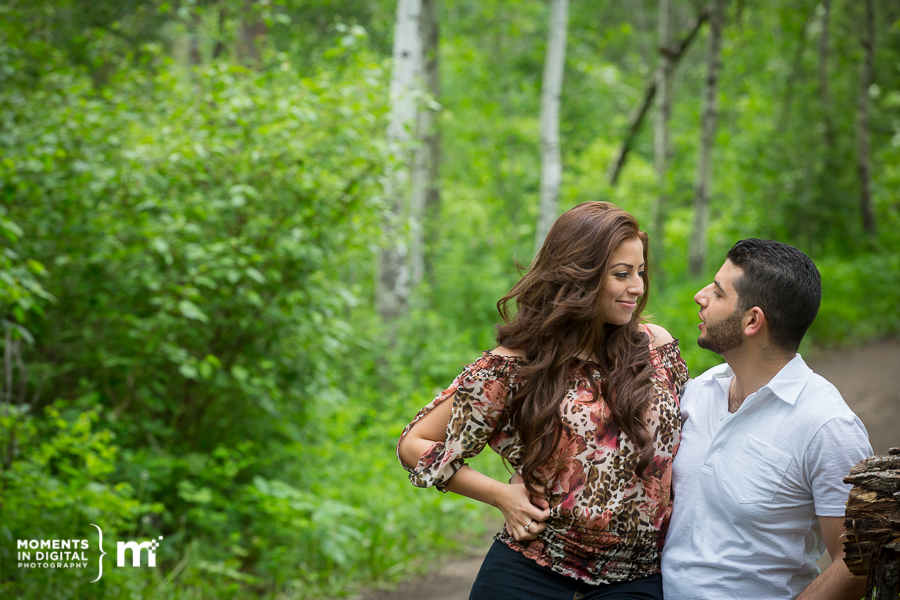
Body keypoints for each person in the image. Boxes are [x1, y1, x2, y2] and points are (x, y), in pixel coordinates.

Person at [397, 201, 689, 600]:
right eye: (621, 274)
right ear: (581, 275)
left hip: (634, 578)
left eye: (640, 272)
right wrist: (502, 495)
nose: (637, 287)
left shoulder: (655, 348)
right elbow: (414, 444)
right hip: (531, 567)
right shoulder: (516, 364)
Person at [661, 238, 872, 600]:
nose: (700, 296)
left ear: (752, 321)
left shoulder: (827, 425)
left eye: (717, 292)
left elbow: (857, 563)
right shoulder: (697, 392)